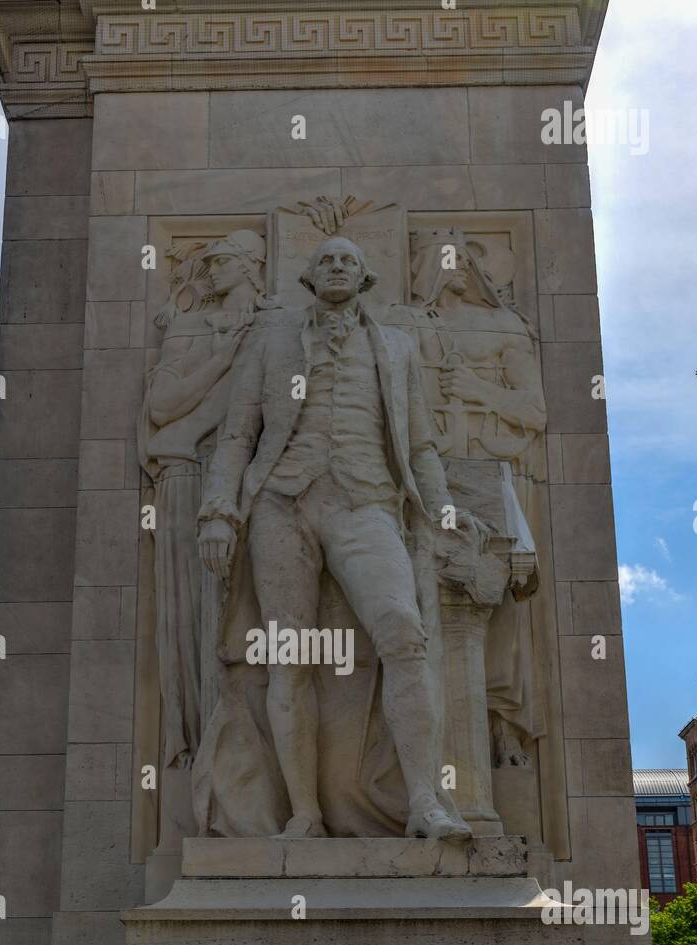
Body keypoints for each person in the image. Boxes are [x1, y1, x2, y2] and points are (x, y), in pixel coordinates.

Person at [198, 236, 484, 840]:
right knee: (288, 660)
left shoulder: (396, 348)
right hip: (281, 504)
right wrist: (219, 510)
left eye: (348, 259)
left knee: (405, 635)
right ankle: (305, 813)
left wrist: (444, 511)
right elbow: (236, 435)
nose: (334, 265)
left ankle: (425, 803)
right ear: (307, 274)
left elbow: (422, 446)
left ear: (365, 276)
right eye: (324, 258)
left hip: (366, 504)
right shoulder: (270, 340)